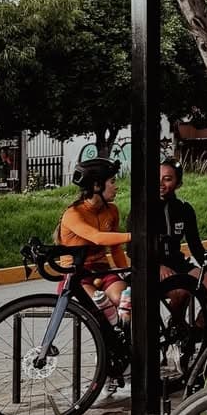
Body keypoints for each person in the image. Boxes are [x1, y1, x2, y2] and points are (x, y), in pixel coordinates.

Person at [57, 157, 131, 400]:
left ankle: (122, 345)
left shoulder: (112, 210)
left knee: (125, 298)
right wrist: (136, 235)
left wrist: (125, 273)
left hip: (101, 270)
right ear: (97, 185)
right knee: (100, 303)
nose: (116, 186)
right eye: (112, 181)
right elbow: (97, 237)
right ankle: (109, 360)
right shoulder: (73, 213)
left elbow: (116, 250)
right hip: (76, 277)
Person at [159, 159, 207, 318]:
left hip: (178, 265)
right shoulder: (142, 208)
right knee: (181, 291)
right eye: (157, 177)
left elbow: (196, 247)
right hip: (150, 266)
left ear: (179, 183)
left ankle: (196, 333)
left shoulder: (184, 209)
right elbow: (133, 250)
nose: (160, 183)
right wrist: (158, 266)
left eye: (167, 179)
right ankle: (176, 327)